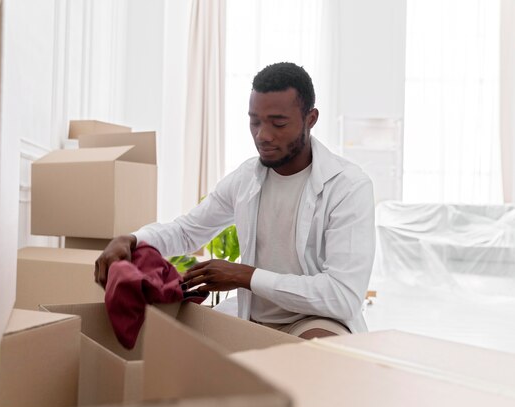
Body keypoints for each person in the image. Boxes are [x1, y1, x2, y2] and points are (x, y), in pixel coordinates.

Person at [95, 62, 375, 339]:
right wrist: (132, 240)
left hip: (314, 320)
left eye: (278, 123)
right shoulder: (245, 179)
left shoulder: (348, 187)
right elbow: (186, 231)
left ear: (310, 119)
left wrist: (246, 276)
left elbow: (342, 296)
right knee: (179, 346)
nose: (262, 135)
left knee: (316, 350)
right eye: (255, 121)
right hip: (252, 317)